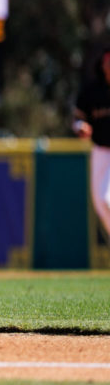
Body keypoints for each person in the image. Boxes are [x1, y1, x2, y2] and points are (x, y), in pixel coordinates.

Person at [73, 47, 110, 241]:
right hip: (100, 150)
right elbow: (77, 119)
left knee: (107, 199)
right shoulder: (92, 91)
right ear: (103, 65)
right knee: (98, 203)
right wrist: (81, 127)